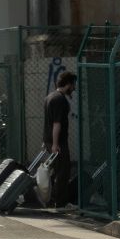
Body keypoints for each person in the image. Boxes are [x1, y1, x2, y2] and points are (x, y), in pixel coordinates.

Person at [42, 70, 77, 208]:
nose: (74, 88)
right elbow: (57, 123)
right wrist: (56, 143)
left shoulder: (49, 97)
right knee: (63, 172)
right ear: (68, 84)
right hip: (58, 142)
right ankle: (61, 202)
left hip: (49, 140)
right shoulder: (59, 99)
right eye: (73, 85)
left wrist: (46, 141)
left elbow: (47, 122)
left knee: (55, 171)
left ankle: (52, 199)